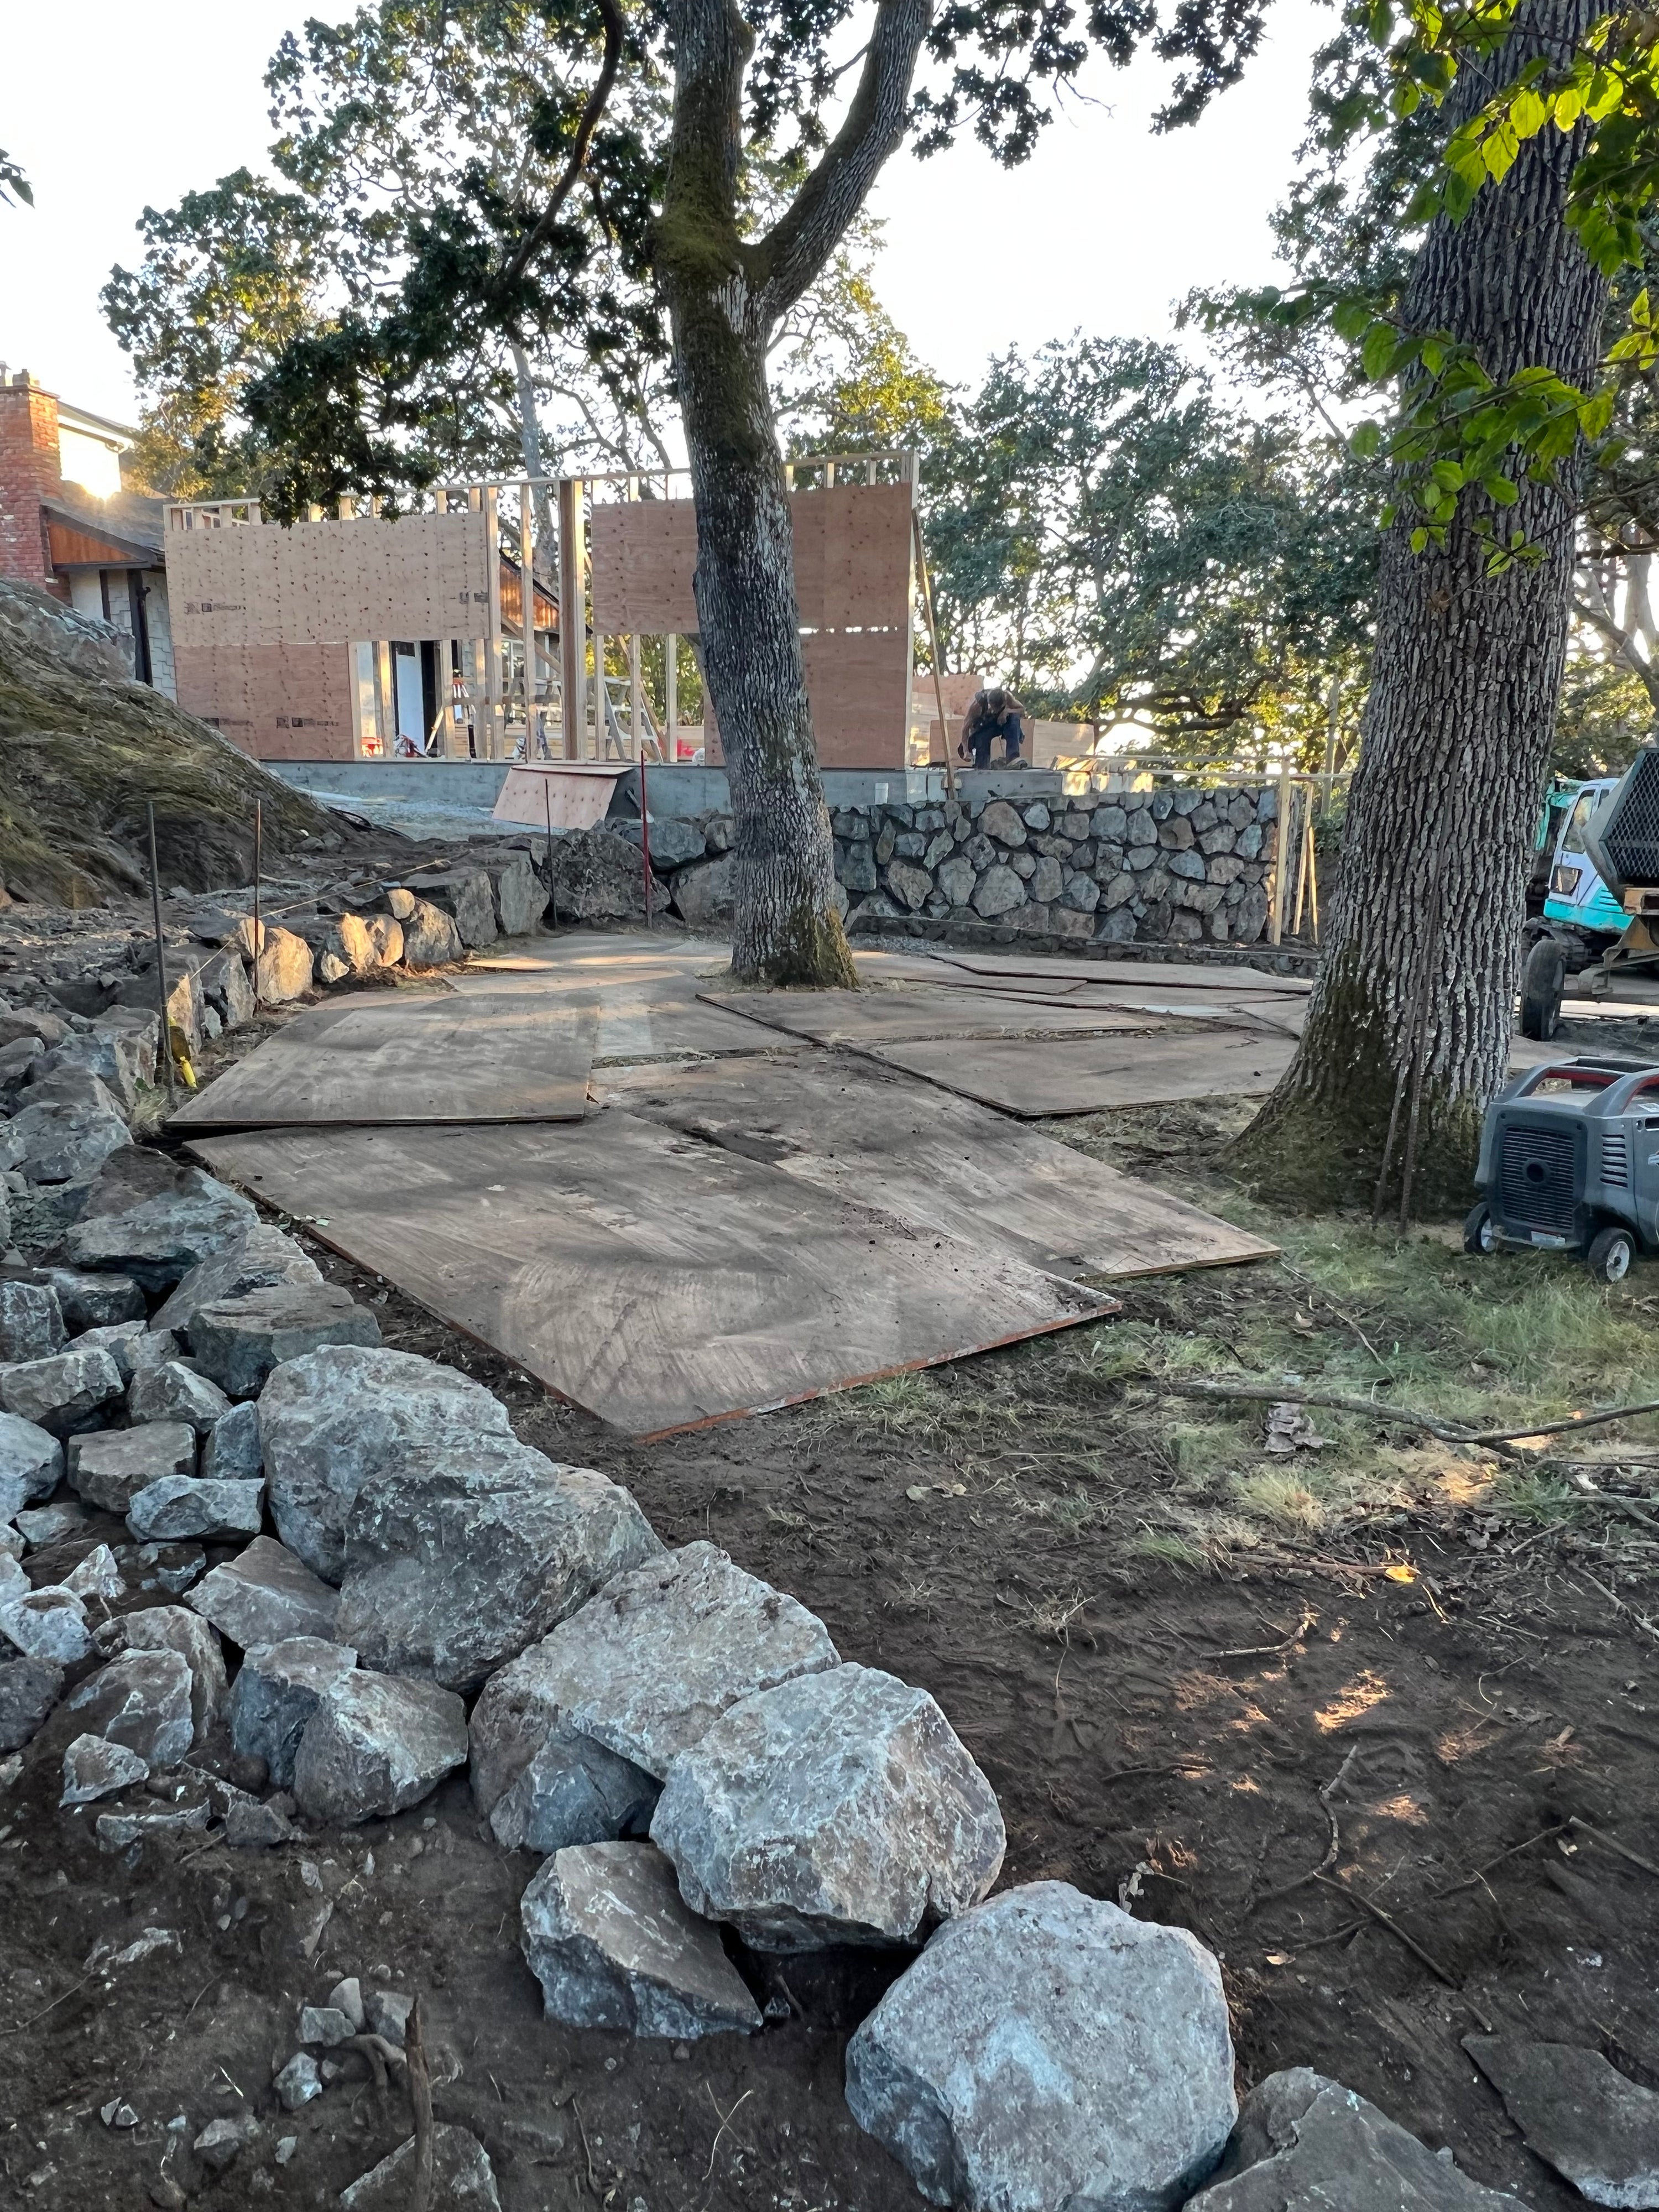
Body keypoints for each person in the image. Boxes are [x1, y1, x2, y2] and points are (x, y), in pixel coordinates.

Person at [958, 686, 1029, 770]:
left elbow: (1022, 710)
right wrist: (966, 751)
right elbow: (966, 727)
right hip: (984, 728)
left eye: (998, 708)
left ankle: (1012, 758)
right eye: (993, 708)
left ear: (1004, 703)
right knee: (982, 739)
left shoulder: (1007, 697)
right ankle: (982, 766)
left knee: (1014, 717)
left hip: (1002, 724)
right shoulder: (978, 705)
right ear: (989, 703)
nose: (994, 711)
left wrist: (1006, 711)